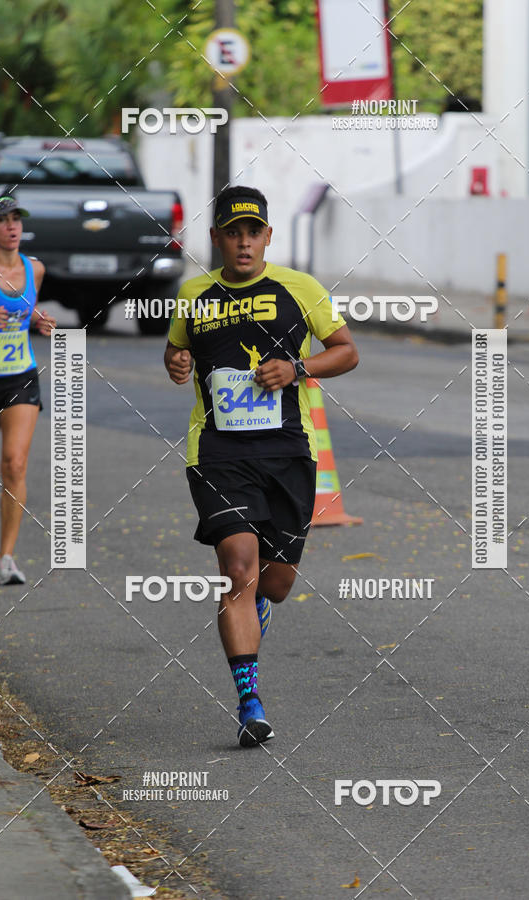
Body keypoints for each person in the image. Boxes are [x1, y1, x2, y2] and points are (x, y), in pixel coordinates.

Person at [164, 186, 358, 747]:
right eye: (233, 232)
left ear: (267, 236)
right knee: (238, 565)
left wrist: (297, 367)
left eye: (253, 232)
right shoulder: (194, 295)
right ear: (217, 238)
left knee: (273, 584)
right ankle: (250, 702)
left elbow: (346, 349)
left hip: (287, 454)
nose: (243, 242)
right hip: (218, 455)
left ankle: (254, 612)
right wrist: (175, 361)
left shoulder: (300, 288)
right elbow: (177, 354)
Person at [0, 196, 56, 584]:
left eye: (16, 220)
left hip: (19, 377)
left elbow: (22, 315)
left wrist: (38, 321)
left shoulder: (35, 269)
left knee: (16, 464)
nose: (12, 227)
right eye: (2, 220)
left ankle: (6, 557)